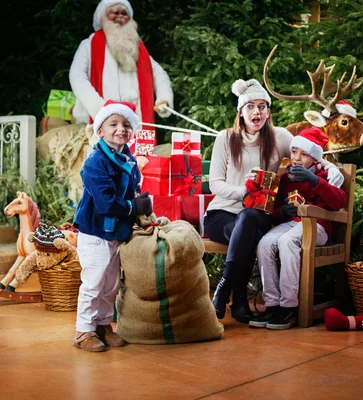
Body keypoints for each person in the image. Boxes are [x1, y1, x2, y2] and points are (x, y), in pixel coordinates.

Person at [204, 79, 344, 324]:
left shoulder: (279, 137)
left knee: (249, 220)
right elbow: (215, 183)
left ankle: (225, 290)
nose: (256, 112)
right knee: (246, 228)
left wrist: (329, 167)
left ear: (268, 112)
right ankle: (236, 297)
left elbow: (306, 150)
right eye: (250, 106)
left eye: (262, 106)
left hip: (256, 212)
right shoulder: (225, 138)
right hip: (223, 213)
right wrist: (243, 192)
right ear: (241, 112)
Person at [72, 100, 153, 352]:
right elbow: (107, 203)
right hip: (95, 231)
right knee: (94, 281)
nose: (121, 129)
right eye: (114, 124)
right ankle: (83, 331)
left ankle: (104, 325)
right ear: (101, 131)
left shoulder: (126, 158)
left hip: (116, 232)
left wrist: (144, 210)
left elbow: (134, 188)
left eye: (127, 125)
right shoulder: (96, 162)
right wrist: (134, 207)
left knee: (111, 284)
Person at [249, 127, 347, 330]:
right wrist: (282, 211)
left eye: (304, 154)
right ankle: (272, 303)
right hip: (291, 223)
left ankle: (289, 307)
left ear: (314, 158)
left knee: (287, 242)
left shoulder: (324, 175)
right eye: (294, 152)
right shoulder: (286, 179)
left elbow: (339, 201)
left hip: (317, 226)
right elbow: (274, 211)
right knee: (265, 243)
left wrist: (315, 181)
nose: (297, 158)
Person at [69, 0, 174, 131]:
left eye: (124, 13)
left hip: (133, 125)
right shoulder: (88, 45)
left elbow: (159, 75)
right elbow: (77, 76)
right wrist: (99, 106)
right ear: (103, 17)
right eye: (115, 13)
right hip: (96, 122)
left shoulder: (138, 48)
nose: (120, 16)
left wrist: (163, 99)